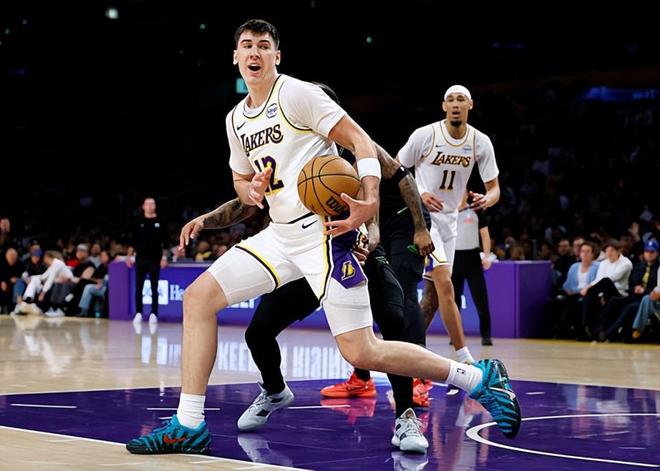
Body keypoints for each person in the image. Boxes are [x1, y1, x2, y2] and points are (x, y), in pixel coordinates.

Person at [126, 19, 520, 456]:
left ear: (277, 56)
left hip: (325, 233)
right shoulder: (235, 119)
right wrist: (249, 190)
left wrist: (370, 199)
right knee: (199, 298)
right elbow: (241, 181)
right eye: (246, 46)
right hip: (279, 234)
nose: (254, 52)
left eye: (263, 45)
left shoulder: (297, 94)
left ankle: (478, 378)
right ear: (235, 57)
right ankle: (189, 423)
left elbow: (361, 142)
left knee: (361, 350)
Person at [400, 85, 500, 364]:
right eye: (451, 100)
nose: (456, 104)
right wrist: (419, 194)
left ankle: (406, 352)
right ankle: (465, 359)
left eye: (461, 100)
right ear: (444, 106)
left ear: (470, 105)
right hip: (423, 219)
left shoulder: (480, 142)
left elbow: (495, 189)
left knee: (433, 298)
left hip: (450, 222)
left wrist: (487, 199)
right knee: (445, 285)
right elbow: (396, 169)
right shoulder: (426, 135)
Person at [448, 191, 494, 346]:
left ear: (467, 193)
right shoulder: (449, 211)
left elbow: (485, 234)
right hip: (455, 258)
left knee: (481, 298)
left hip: (472, 258)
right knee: (454, 299)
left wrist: (486, 256)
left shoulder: (476, 210)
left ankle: (486, 335)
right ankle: (455, 336)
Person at [129, 196, 169, 328]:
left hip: (155, 259)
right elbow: (133, 241)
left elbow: (165, 242)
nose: (150, 206)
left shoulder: (160, 221)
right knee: (139, 286)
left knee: (154, 287)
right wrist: (129, 256)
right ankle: (138, 313)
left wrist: (164, 257)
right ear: (143, 206)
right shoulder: (138, 221)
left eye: (152, 204)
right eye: (148, 204)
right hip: (140, 258)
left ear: (155, 206)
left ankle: (154, 313)